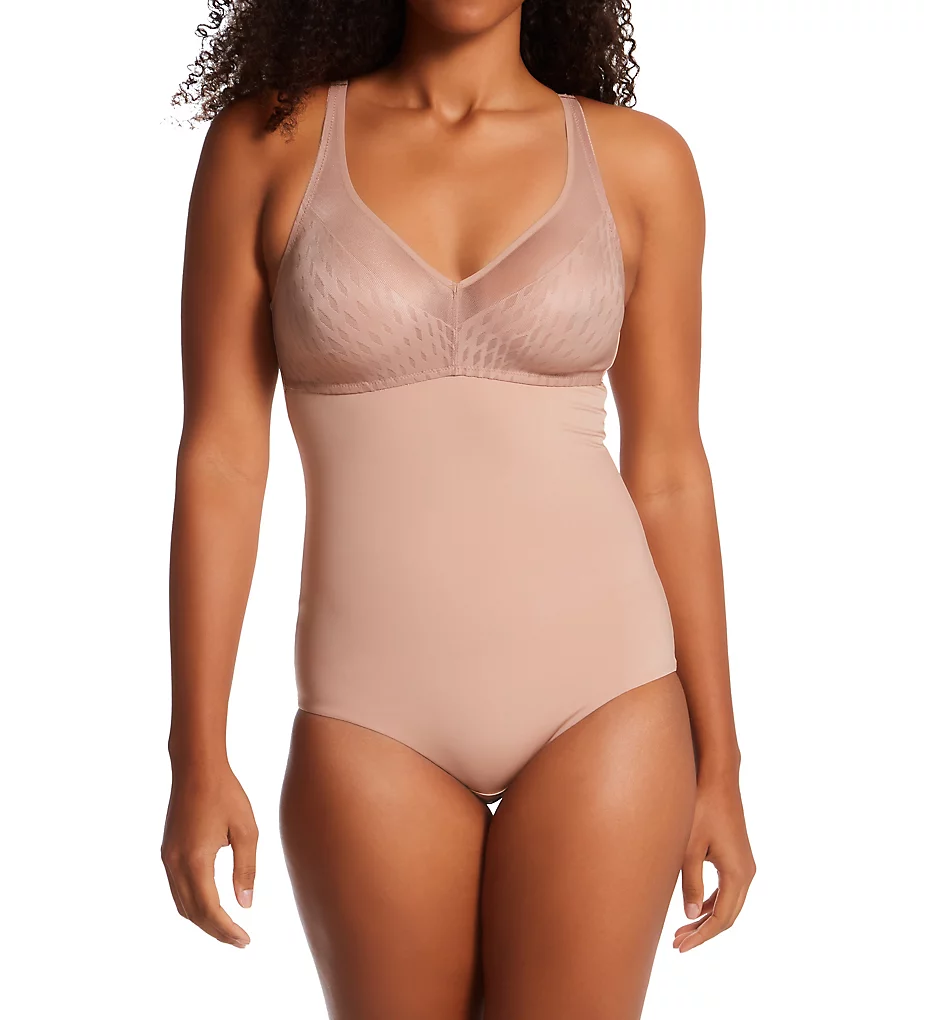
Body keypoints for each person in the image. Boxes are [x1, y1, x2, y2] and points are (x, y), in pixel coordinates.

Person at [161, 2, 756, 1017]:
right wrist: (195, 751)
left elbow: (667, 470)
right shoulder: (269, 143)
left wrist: (721, 764)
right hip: (369, 721)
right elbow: (220, 460)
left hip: (606, 701)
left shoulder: (641, 162)